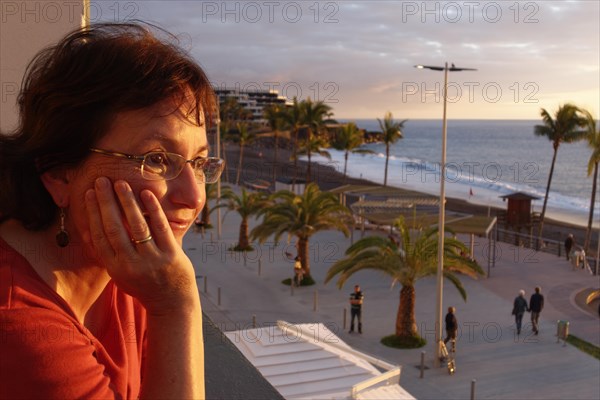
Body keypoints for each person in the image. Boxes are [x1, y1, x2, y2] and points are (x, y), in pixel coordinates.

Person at [0, 22, 224, 399]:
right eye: (157, 159)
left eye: (200, 164)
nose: (194, 197)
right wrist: (176, 305)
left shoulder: (129, 270)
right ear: (59, 173)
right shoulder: (20, 327)